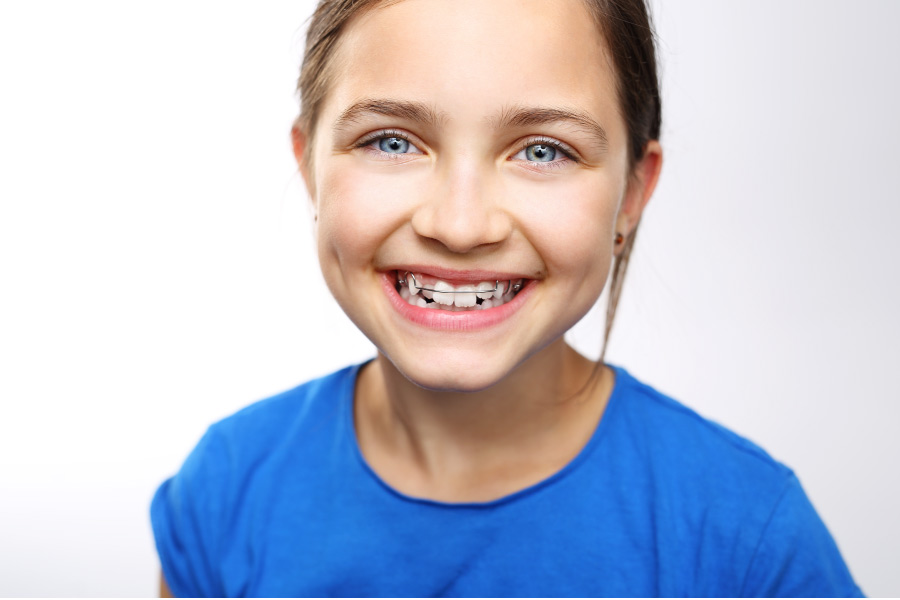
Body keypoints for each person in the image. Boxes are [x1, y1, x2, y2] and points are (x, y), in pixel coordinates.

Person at [151, 0, 863, 596]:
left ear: (631, 195)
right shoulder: (224, 497)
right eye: (392, 142)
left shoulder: (747, 542)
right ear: (309, 167)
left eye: (543, 151)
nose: (460, 226)